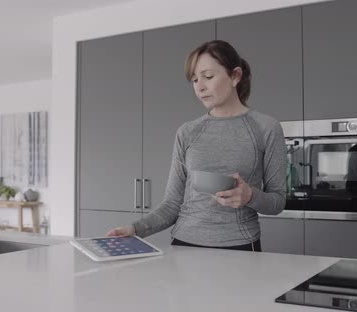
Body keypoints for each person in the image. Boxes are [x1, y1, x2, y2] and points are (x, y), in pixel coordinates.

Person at [106, 40, 287, 252]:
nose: (200, 87)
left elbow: (277, 201)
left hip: (240, 246)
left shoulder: (266, 127)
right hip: (184, 245)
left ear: (235, 76)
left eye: (208, 77)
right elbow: (172, 204)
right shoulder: (187, 132)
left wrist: (250, 196)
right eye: (194, 80)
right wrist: (135, 229)